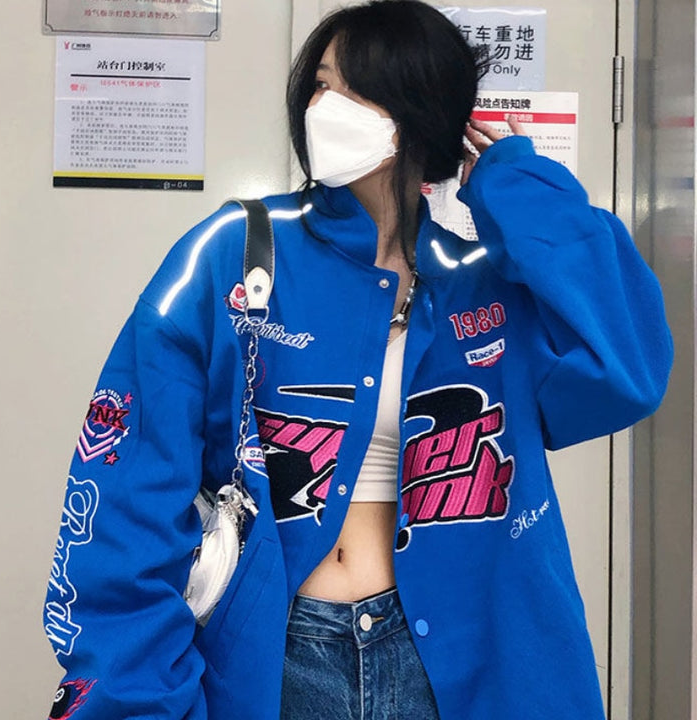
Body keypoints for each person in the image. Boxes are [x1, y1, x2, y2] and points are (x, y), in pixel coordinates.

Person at [43, 2, 672, 719]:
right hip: (283, 658)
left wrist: (514, 183)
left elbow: (626, 365)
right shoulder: (238, 252)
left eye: (354, 88)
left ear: (418, 107)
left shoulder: (482, 282)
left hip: (456, 658)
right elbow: (129, 484)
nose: (323, 107)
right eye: (319, 84)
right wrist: (135, 698)